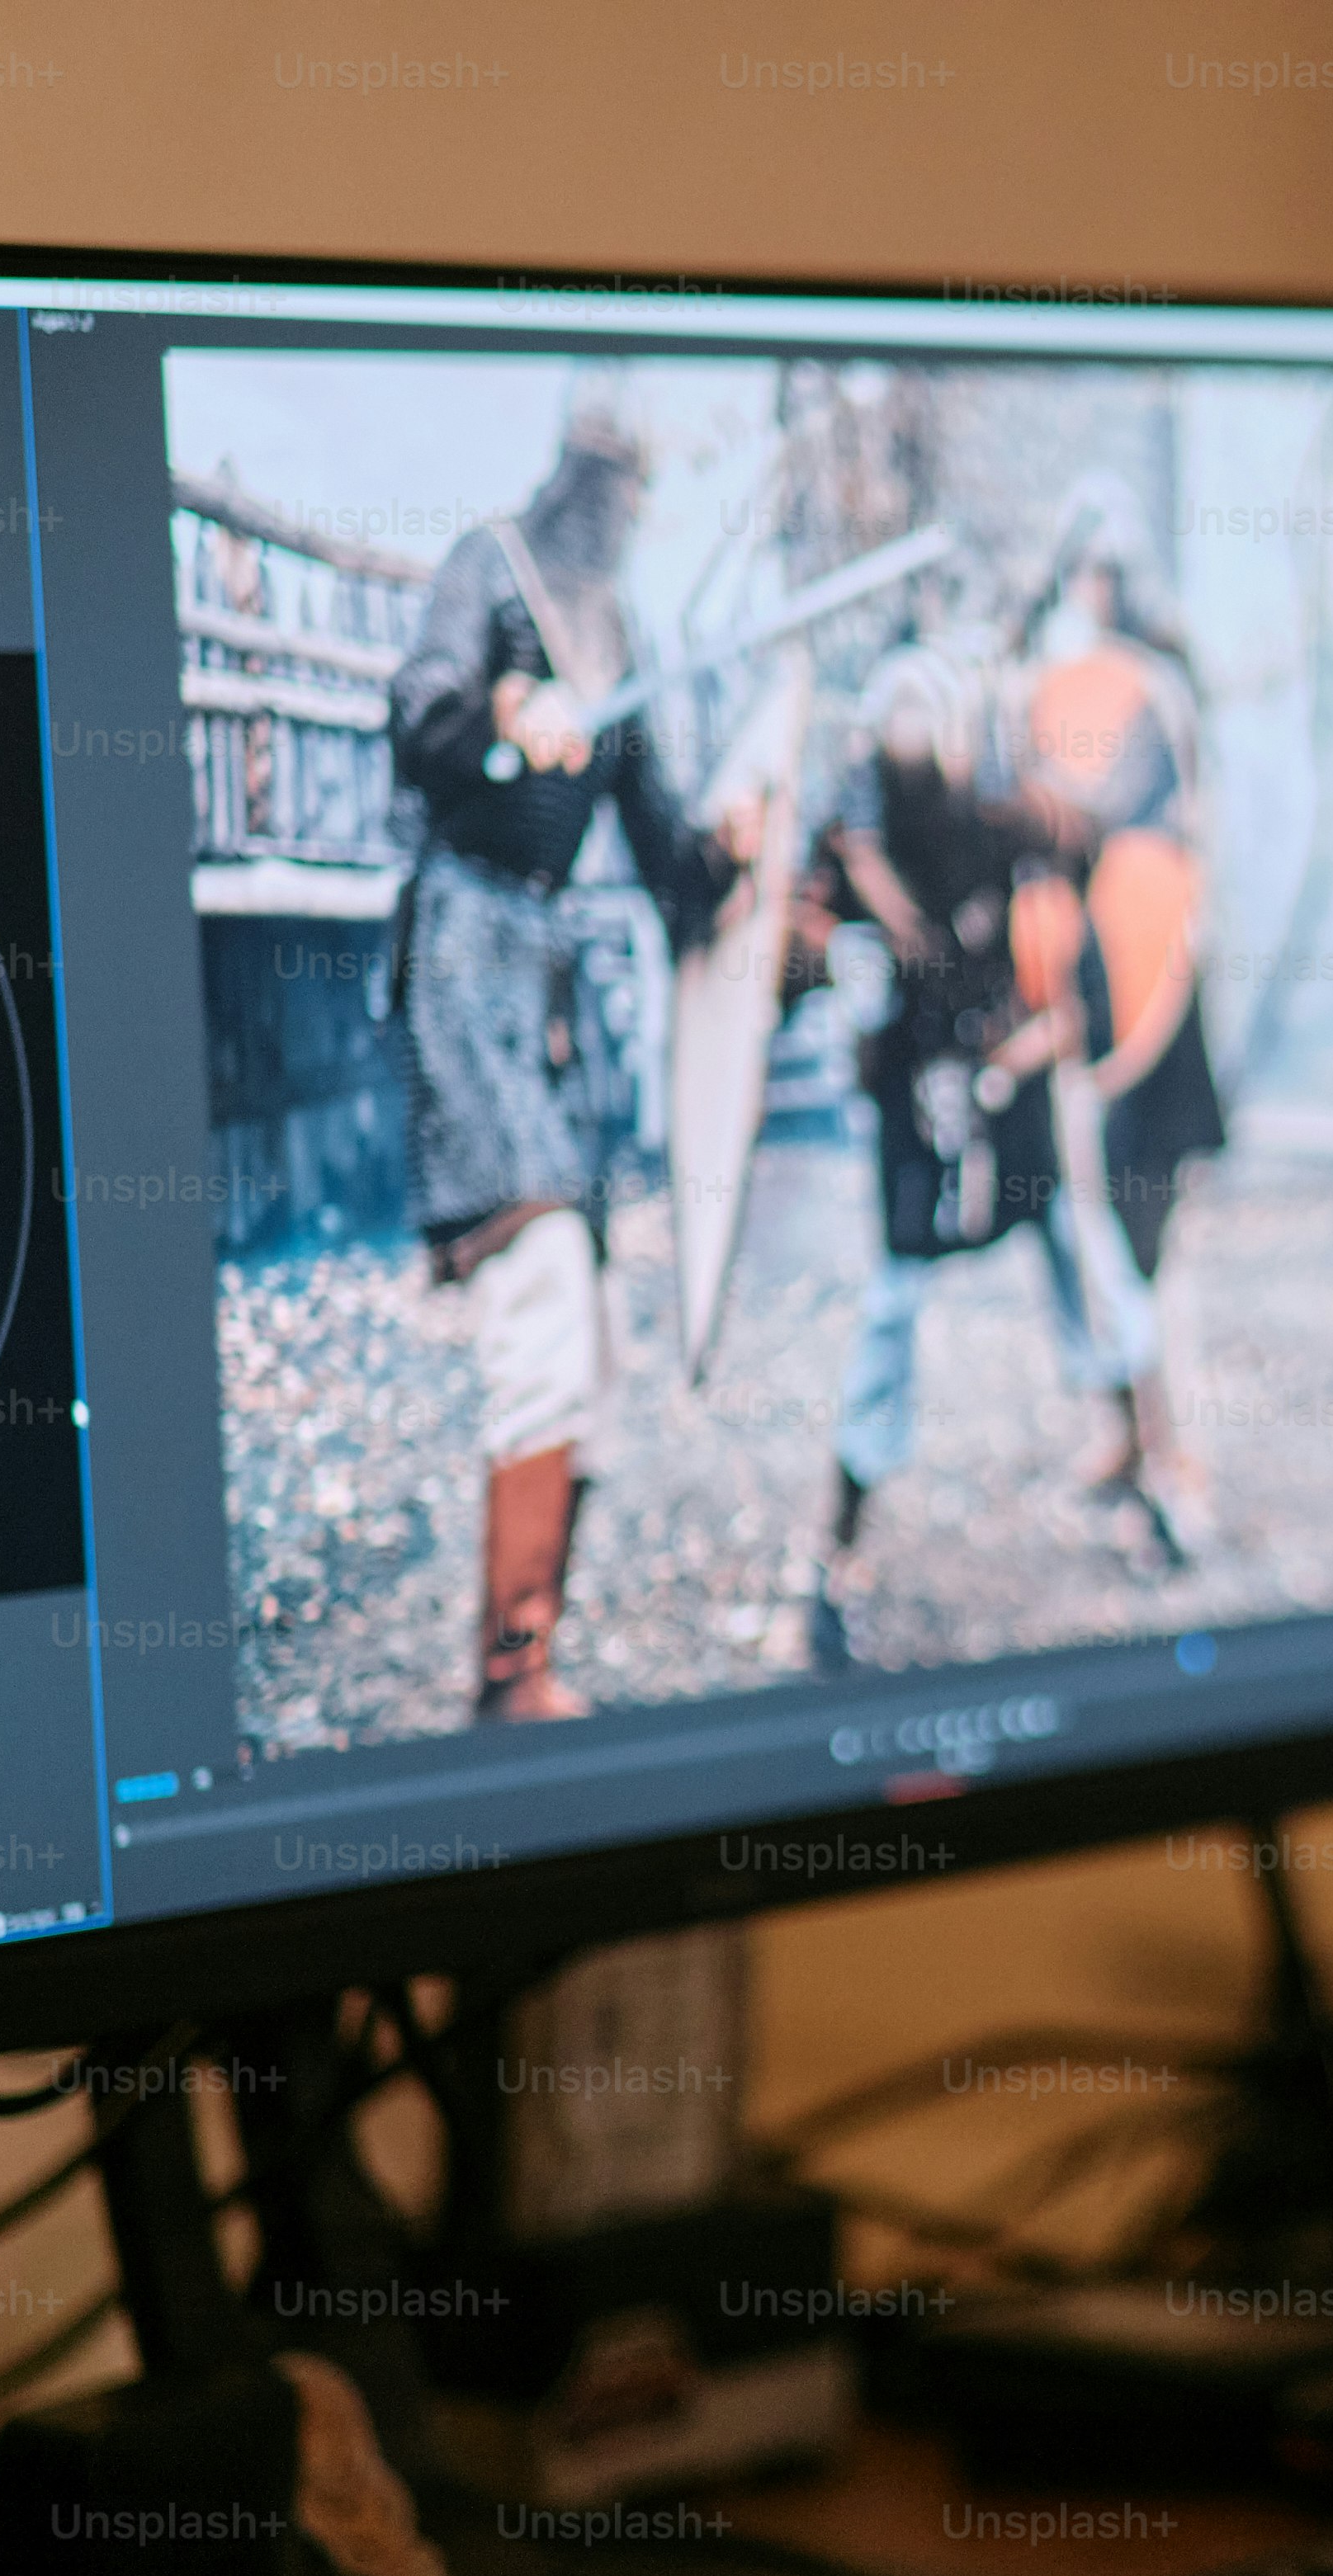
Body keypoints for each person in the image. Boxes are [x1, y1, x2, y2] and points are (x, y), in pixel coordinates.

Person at [379, 375, 758, 1721]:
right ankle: (511, 1671)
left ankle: (531, 1662)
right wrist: (496, 719)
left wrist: (737, 854)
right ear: (572, 480)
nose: (625, 511)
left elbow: (666, 860)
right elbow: (416, 716)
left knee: (589, 1335)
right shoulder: (489, 571)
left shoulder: (622, 631)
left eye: (639, 491)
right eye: (610, 485)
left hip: (549, 989)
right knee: (537, 1284)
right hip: (463, 956)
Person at [768, 610, 1152, 1673]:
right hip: (915, 1099)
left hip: (1003, 1074)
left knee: (1081, 1256)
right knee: (891, 1311)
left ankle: (1140, 1475)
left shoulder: (996, 819)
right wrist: (798, 930)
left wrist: (1056, 827)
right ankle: (836, 1551)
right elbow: (788, 967)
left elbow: (1089, 841)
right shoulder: (855, 848)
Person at [1006, 489, 1227, 1522]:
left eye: (1097, 575)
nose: (1086, 592)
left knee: (1145, 1239)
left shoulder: (1156, 696)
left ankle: (1172, 1455)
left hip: (1150, 991)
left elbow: (1098, 815)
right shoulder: (1058, 690)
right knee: (1084, 1233)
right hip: (1079, 990)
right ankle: (1125, 1436)